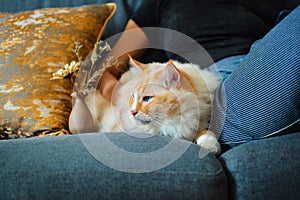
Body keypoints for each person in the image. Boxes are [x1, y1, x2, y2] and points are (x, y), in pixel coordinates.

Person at [74, 0, 300, 149]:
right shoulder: (160, 4)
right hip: (211, 93)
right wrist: (116, 93)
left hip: (258, 66)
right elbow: (102, 67)